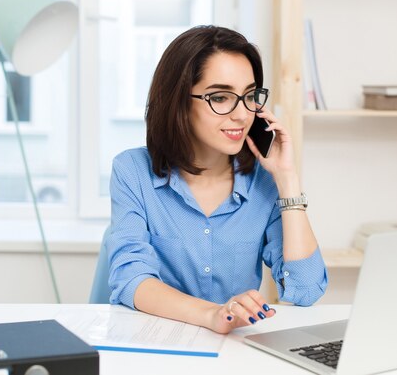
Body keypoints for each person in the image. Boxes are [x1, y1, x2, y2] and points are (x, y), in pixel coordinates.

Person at [106, 25, 327, 334]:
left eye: (249, 96)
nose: (241, 114)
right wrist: (214, 314)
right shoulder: (132, 170)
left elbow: (306, 288)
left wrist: (287, 179)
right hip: (157, 348)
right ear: (179, 101)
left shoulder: (264, 182)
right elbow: (131, 279)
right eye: (221, 97)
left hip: (236, 352)